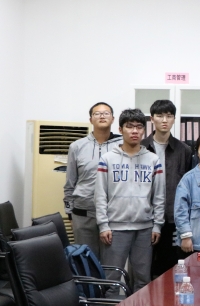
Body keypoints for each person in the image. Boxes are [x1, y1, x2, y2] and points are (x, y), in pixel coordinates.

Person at [95, 109, 164, 294]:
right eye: (129, 126)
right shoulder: (107, 159)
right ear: (120, 129)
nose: (135, 131)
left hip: (145, 229)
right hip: (115, 228)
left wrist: (157, 225)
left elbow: (159, 196)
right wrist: (103, 225)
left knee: (143, 280)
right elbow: (100, 195)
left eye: (139, 127)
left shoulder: (153, 160)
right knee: (112, 281)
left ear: (144, 130)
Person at [64, 102, 122, 260]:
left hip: (113, 215)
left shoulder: (122, 145)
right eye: (97, 113)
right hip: (83, 214)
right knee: (86, 261)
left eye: (106, 113)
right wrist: (69, 213)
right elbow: (70, 183)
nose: (102, 116)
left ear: (113, 119)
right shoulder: (77, 146)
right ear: (90, 119)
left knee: (112, 262)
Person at [141, 100, 192, 277]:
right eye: (160, 116)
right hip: (145, 217)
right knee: (145, 269)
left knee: (171, 268)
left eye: (169, 116)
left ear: (174, 119)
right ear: (151, 118)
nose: (164, 120)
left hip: (172, 218)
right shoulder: (141, 147)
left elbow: (188, 186)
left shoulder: (184, 150)